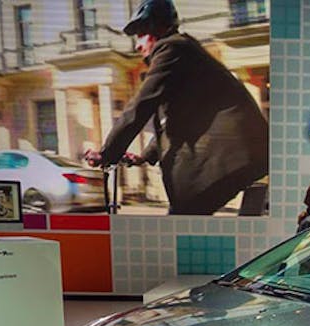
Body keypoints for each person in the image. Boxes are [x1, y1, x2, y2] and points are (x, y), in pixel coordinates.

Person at [84, 0, 268, 215]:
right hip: (248, 155)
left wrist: (107, 153)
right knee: (187, 214)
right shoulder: (182, 52)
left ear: (157, 28)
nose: (137, 45)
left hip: (234, 156)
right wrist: (145, 156)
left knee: (184, 214)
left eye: (141, 35)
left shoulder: (172, 47)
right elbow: (175, 119)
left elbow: (140, 105)